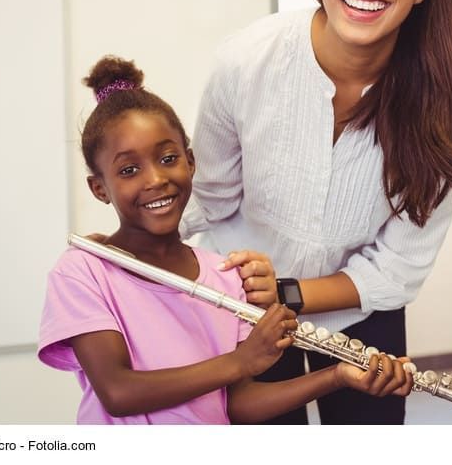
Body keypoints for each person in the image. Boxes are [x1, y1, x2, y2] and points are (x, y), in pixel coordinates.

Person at [180, 0, 452, 424]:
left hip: (359, 312)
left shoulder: (439, 103)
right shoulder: (245, 61)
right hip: (243, 307)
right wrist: (133, 252)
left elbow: (398, 267)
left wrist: (288, 292)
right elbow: (210, 199)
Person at [38, 55, 414, 424]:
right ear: (99, 188)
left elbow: (236, 405)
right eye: (129, 169)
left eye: (167, 158)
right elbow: (118, 392)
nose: (155, 179)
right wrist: (240, 361)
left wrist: (337, 376)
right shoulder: (83, 271)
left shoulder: (225, 275)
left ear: (190, 162)